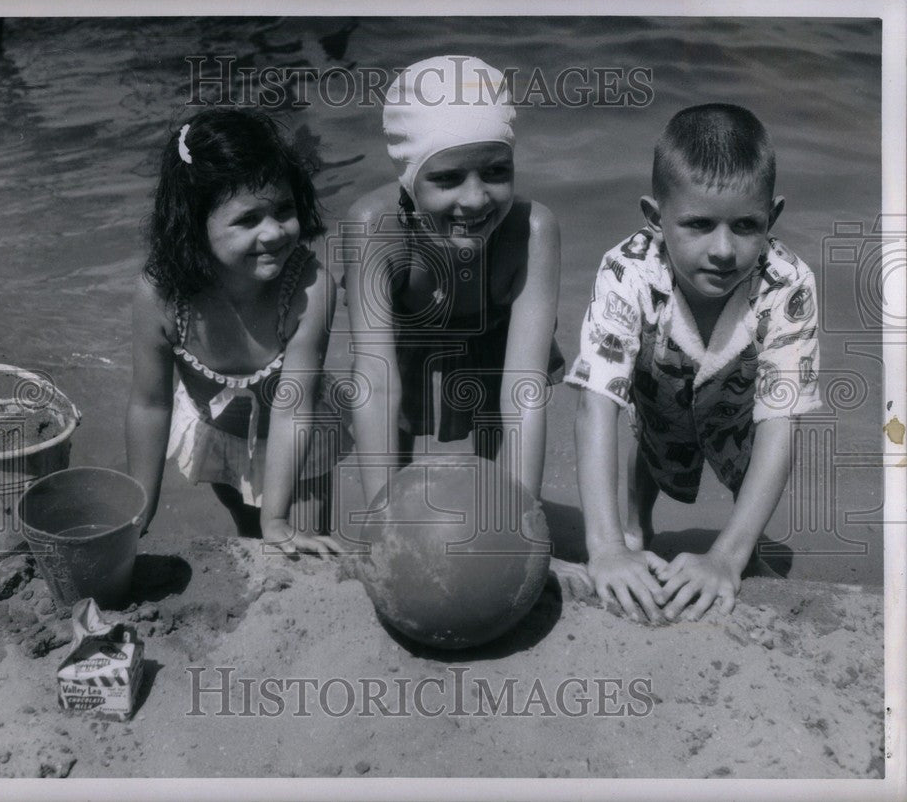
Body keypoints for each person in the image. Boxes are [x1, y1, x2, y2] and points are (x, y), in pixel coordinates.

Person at [569, 103, 821, 623]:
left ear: (771, 218)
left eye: (746, 226)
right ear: (655, 217)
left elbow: (779, 426)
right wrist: (606, 547)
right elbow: (597, 404)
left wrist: (725, 558)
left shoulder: (789, 283)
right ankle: (638, 525)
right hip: (657, 395)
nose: (724, 250)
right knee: (651, 447)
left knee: (742, 526)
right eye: (699, 224)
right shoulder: (627, 271)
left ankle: (739, 547)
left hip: (741, 410)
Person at [342, 56, 565, 508]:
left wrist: (521, 525)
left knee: (498, 438)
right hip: (411, 335)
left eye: (497, 172)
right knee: (396, 429)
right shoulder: (374, 227)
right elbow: (377, 385)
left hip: (496, 338)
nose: (476, 198)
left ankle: (508, 517)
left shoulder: (533, 229)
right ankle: (390, 516)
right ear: (408, 177)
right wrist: (383, 524)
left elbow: (522, 395)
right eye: (446, 178)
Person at [127, 108, 344, 555]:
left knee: (308, 540)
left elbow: (295, 407)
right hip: (220, 435)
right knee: (251, 536)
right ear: (192, 224)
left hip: (300, 431)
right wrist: (139, 513)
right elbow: (150, 404)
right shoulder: (162, 297)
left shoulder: (309, 286)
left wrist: (279, 519)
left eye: (284, 209)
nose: (274, 232)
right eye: (248, 220)